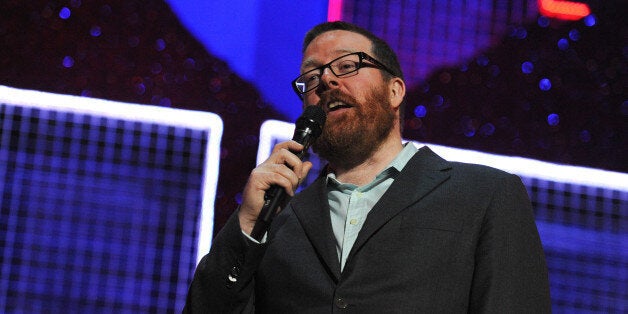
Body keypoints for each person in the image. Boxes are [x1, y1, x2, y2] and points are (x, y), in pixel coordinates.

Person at [183, 21, 551, 313]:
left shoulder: (485, 196)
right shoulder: (276, 220)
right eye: (311, 78)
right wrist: (248, 225)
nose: (326, 80)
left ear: (395, 91)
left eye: (347, 65)